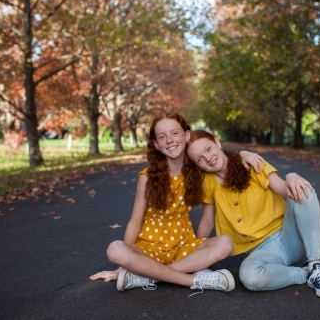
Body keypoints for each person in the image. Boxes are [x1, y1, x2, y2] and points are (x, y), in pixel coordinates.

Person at [89, 112, 261, 294]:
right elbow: (134, 222)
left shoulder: (198, 172)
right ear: (156, 144)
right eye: (162, 137)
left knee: (225, 243)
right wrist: (121, 268)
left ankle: (146, 276)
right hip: (149, 249)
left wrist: (244, 153)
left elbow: (217, 158)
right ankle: (193, 280)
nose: (170, 140)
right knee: (115, 250)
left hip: (183, 247)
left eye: (175, 133)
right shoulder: (147, 178)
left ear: (186, 135)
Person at [186, 130, 320, 298]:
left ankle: (316, 264)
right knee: (250, 277)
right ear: (196, 165)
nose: (208, 158)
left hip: (288, 236)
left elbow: (286, 190)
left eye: (208, 149)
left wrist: (291, 176)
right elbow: (207, 221)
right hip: (263, 253)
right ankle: (308, 273)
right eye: (199, 159)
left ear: (217, 142)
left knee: (302, 190)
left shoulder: (252, 164)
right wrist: (198, 254)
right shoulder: (207, 183)